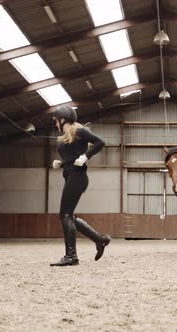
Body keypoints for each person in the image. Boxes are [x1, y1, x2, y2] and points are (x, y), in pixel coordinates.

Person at [50, 105, 111, 267]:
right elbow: (71, 158)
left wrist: (86, 156)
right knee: (69, 215)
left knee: (65, 214)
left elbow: (100, 142)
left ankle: (71, 256)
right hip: (71, 175)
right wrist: (61, 164)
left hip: (78, 177)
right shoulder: (66, 137)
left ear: (63, 119)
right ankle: (100, 240)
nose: (55, 124)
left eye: (56, 121)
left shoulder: (80, 131)